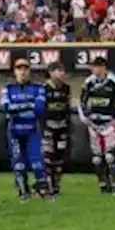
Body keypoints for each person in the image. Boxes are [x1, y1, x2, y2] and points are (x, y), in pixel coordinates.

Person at [77, 55, 115, 194]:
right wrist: (84, 118)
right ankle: (103, 185)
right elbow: (80, 102)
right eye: (93, 67)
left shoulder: (114, 81)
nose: (94, 70)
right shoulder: (88, 82)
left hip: (109, 123)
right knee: (97, 158)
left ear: (103, 67)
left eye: (97, 66)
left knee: (110, 156)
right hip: (94, 124)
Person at [1, 59, 52, 201]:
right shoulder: (8, 88)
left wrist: (18, 107)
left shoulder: (38, 87)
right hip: (14, 131)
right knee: (18, 163)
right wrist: (28, 105)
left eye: (25, 68)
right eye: (19, 68)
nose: (22, 71)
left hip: (32, 130)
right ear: (14, 71)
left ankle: (43, 190)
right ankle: (23, 192)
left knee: (37, 162)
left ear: (29, 70)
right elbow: (6, 107)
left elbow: (39, 108)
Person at [41, 61, 72, 195]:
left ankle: (56, 186)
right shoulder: (43, 88)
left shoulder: (66, 88)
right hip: (48, 127)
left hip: (62, 127)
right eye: (59, 70)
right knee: (48, 157)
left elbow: (68, 106)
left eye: (62, 71)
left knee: (59, 158)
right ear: (51, 72)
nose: (62, 73)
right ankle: (47, 185)